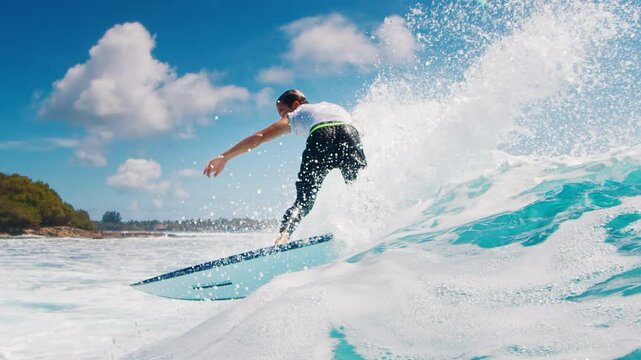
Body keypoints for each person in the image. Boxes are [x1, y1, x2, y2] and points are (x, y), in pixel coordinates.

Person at [203, 89, 367, 245]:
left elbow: (260, 137)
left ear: (295, 104)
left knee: (303, 202)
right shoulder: (333, 107)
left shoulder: (298, 113)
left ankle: (283, 237)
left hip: (321, 135)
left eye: (282, 112)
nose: (283, 116)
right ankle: (370, 226)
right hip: (350, 134)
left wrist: (225, 156)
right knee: (360, 189)